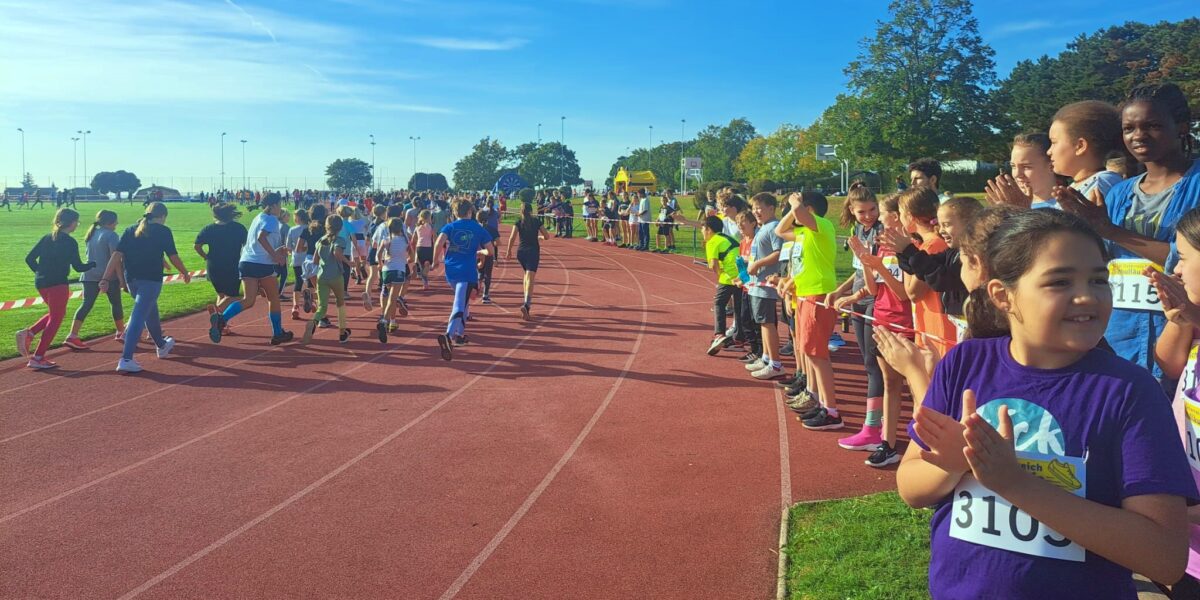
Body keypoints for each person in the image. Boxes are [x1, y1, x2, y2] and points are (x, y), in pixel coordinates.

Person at [897, 209, 1195, 599]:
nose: (1087, 295)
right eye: (1059, 281)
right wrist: (958, 466)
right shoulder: (964, 363)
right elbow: (910, 485)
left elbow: (1166, 558)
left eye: (1098, 280)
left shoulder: (1129, 391)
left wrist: (1015, 482)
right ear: (1003, 296)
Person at [1057, 82, 1199, 383]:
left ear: (1182, 127)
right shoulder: (1119, 193)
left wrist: (1111, 230)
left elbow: (1185, 258)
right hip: (1118, 338)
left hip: (1182, 337)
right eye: (1129, 128)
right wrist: (1081, 232)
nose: (1138, 136)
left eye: (1153, 126)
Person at [1147, 207, 1200, 598]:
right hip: (1186, 543)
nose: (1176, 271)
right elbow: (1168, 363)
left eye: (1182, 257)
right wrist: (1183, 318)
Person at [825, 183, 886, 449]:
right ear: (851, 210)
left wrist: (853, 296)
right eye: (862, 212)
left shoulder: (882, 232)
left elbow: (879, 273)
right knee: (868, 363)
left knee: (875, 366)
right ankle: (877, 424)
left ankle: (873, 428)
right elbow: (859, 269)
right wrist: (839, 290)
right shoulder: (857, 230)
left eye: (873, 209)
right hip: (860, 300)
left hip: (876, 299)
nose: (869, 216)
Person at [774, 192, 842, 430]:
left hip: (818, 295)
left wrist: (796, 203)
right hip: (804, 295)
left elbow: (799, 214)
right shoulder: (802, 234)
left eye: (796, 211)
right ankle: (822, 403)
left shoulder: (821, 226)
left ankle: (831, 410)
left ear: (808, 210)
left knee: (817, 354)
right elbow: (780, 231)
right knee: (810, 352)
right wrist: (793, 210)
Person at [99, 202, 191, 373]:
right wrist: (185, 272)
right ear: (163, 216)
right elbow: (173, 256)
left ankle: (161, 345)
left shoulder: (130, 230)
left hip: (132, 278)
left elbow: (116, 256)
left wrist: (105, 277)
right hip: (151, 279)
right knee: (139, 315)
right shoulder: (163, 231)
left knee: (150, 310)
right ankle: (126, 358)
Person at [209, 193, 293, 346]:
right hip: (262, 264)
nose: (280, 208)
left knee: (248, 300)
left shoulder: (258, 218)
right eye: (279, 205)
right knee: (273, 298)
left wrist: (277, 250)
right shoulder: (272, 220)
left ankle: (222, 319)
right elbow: (262, 238)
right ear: (273, 205)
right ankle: (278, 333)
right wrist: (276, 255)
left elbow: (258, 241)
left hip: (246, 261)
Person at [16, 209, 95, 369]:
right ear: (71, 222)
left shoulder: (47, 237)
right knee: (56, 319)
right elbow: (79, 267)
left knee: (55, 313)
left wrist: (41, 272)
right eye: (77, 222)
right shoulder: (70, 242)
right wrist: (93, 264)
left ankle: (30, 333)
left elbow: (29, 259)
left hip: (41, 283)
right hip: (58, 284)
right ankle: (38, 357)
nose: (77, 226)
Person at [431, 200, 496, 361]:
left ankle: (460, 336)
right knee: (460, 303)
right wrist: (478, 251)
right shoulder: (478, 228)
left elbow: (439, 242)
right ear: (470, 212)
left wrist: (435, 260)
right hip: (467, 271)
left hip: (450, 270)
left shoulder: (450, 226)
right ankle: (449, 334)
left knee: (464, 301)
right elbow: (491, 251)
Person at [63, 210, 125, 349]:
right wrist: (121, 279)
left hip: (89, 275)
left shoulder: (91, 233)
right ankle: (121, 332)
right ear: (110, 222)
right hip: (107, 277)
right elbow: (115, 259)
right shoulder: (112, 235)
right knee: (116, 303)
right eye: (116, 221)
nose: (117, 224)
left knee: (86, 304)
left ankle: (72, 335)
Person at [1048, 100, 1127, 203]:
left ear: (1080, 146)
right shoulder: (1078, 185)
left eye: (1054, 142)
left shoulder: (1103, 183)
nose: (1049, 151)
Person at [743, 193, 785, 380]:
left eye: (759, 208)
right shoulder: (762, 228)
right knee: (762, 323)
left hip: (766, 285)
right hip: (757, 284)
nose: (756, 212)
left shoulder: (774, 227)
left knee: (767, 324)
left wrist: (758, 264)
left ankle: (776, 365)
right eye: (754, 208)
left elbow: (778, 253)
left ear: (771, 208)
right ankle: (766, 357)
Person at [303, 214, 353, 345]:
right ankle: (342, 333)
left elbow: (315, 260)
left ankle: (313, 321)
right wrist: (348, 262)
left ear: (326, 226)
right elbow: (337, 253)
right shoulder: (340, 240)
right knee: (340, 303)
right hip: (336, 276)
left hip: (322, 276)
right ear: (340, 227)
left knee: (322, 307)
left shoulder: (320, 241)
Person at [194, 202, 248, 320]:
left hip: (213, 266)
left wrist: (205, 256)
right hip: (232, 265)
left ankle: (221, 325)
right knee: (235, 297)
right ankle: (217, 312)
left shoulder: (208, 229)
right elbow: (247, 246)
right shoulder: (239, 228)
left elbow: (197, 246)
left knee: (221, 294)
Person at [703, 215, 742, 356]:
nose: (702, 231)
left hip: (729, 275)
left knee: (719, 303)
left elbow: (713, 264)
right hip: (742, 274)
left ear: (708, 229)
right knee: (739, 306)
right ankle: (740, 338)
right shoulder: (727, 238)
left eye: (703, 228)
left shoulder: (713, 241)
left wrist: (720, 275)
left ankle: (719, 334)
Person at [506, 201, 551, 321]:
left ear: (521, 211)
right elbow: (547, 236)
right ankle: (527, 304)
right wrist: (540, 237)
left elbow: (512, 237)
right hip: (533, 252)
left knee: (526, 275)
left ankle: (526, 303)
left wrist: (508, 251)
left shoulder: (518, 222)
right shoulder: (536, 221)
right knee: (530, 278)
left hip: (520, 252)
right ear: (531, 211)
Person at [376, 217, 413, 343]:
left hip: (387, 270)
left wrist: (381, 264)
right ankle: (384, 320)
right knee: (393, 298)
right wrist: (406, 260)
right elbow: (412, 257)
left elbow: (378, 254)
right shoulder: (405, 241)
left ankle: (388, 320)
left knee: (387, 295)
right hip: (399, 270)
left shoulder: (386, 240)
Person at [286, 209, 309, 320]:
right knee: (311, 282)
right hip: (309, 259)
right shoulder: (310, 229)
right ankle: (311, 300)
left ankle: (295, 306)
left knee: (298, 282)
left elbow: (288, 248)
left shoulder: (292, 230)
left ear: (298, 218)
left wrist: (293, 251)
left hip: (297, 259)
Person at [415, 209, 434, 290]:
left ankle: (425, 281)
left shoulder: (417, 227)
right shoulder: (430, 227)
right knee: (427, 265)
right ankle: (423, 276)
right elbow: (435, 237)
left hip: (419, 247)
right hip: (428, 247)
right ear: (428, 218)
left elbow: (413, 239)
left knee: (423, 265)